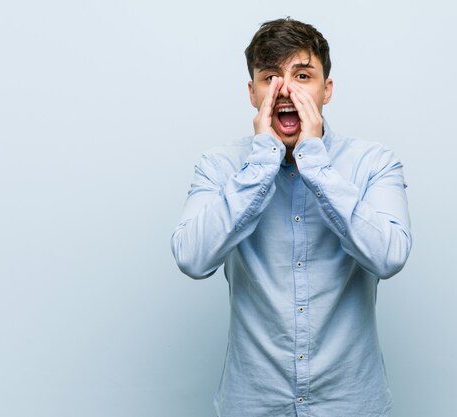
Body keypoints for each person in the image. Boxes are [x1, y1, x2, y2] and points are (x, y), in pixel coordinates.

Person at [171, 17, 412, 417]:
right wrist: (261, 163)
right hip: (253, 403)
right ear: (252, 93)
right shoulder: (219, 166)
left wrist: (315, 164)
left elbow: (389, 257)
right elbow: (192, 259)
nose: (285, 90)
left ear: (327, 90)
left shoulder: (374, 163)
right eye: (270, 77)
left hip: (350, 405)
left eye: (302, 75)